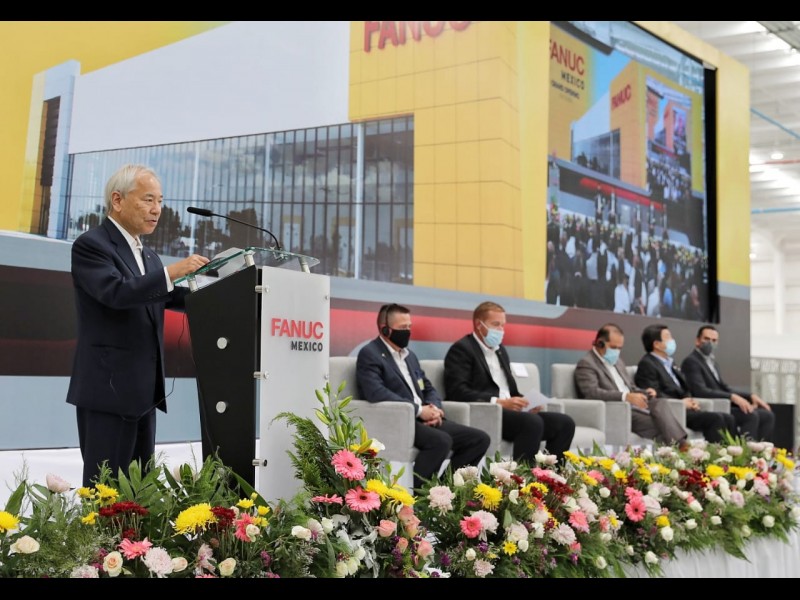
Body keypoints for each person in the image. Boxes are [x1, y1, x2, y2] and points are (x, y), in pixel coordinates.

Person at [67, 164, 210, 487]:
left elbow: (163, 297)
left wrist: (218, 292)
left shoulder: (149, 257)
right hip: (109, 391)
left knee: (139, 492)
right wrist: (172, 273)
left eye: (160, 201)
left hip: (144, 393)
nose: (157, 209)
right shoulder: (92, 245)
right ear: (117, 200)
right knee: (105, 491)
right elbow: (116, 293)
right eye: (148, 200)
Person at [356, 303, 490, 491]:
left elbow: (427, 387)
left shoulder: (410, 356)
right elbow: (375, 392)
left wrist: (434, 408)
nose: (407, 332)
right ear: (385, 329)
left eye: (409, 326)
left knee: (479, 439)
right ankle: (418, 496)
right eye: (402, 327)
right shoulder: (370, 354)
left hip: (424, 417)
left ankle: (443, 493)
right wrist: (419, 411)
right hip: (401, 420)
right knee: (441, 441)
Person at [443, 301, 575, 465]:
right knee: (532, 422)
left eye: (503, 325)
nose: (500, 330)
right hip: (488, 411)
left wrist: (526, 402)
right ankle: (522, 477)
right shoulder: (462, 349)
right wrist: (499, 402)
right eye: (495, 324)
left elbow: (509, 390)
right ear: (479, 324)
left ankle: (550, 477)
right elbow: (457, 391)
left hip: (511, 411)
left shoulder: (500, 350)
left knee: (564, 423)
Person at [574, 323, 687, 445]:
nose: (617, 352)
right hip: (616, 410)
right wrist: (625, 397)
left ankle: (679, 446)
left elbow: (630, 387)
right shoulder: (587, 364)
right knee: (661, 425)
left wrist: (644, 392)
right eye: (613, 347)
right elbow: (592, 393)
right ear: (599, 343)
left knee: (660, 403)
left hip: (633, 405)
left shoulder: (618, 361)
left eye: (619, 348)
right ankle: (681, 446)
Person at [634, 324, 736, 443]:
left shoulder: (670, 363)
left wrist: (690, 400)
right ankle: (717, 454)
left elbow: (683, 386)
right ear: (656, 344)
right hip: (672, 411)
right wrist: (682, 403)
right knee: (716, 419)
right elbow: (654, 395)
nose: (672, 340)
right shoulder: (647, 364)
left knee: (728, 418)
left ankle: (735, 452)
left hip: (686, 409)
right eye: (668, 337)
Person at [681, 325, 775, 442]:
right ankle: (746, 450)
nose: (710, 343)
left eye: (714, 340)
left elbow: (723, 387)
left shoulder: (712, 363)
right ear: (697, 341)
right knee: (750, 415)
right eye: (706, 339)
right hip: (713, 405)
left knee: (767, 415)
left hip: (724, 402)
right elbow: (700, 391)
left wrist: (750, 396)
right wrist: (732, 397)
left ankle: (762, 450)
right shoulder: (691, 362)